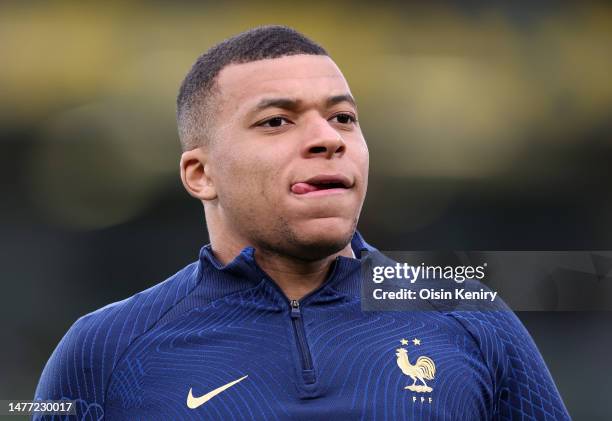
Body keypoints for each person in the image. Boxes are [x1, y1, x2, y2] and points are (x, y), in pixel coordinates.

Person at [34, 25, 570, 420]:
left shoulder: (472, 318)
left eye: (343, 117)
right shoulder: (102, 351)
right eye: (276, 121)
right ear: (200, 173)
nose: (328, 138)